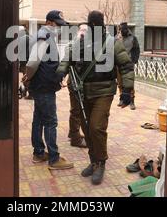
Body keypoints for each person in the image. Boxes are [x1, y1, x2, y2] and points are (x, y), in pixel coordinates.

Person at [57, 11, 135, 185]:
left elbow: (127, 66)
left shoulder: (113, 43)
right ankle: (93, 161)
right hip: (83, 92)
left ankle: (101, 163)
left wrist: (127, 91)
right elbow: (67, 59)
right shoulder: (82, 42)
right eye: (91, 24)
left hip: (104, 91)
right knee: (86, 127)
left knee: (96, 126)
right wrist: (60, 73)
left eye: (96, 24)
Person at [23, 10, 74, 170]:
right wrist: (27, 77)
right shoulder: (43, 36)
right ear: (49, 23)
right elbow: (32, 63)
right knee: (51, 122)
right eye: (58, 25)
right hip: (43, 86)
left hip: (42, 85)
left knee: (38, 119)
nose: (59, 28)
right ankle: (54, 158)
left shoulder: (45, 35)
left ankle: (39, 153)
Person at [67, 24, 88, 148]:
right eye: (82, 30)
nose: (84, 32)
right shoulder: (73, 45)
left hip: (82, 82)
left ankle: (73, 133)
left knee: (79, 109)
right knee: (76, 110)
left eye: (86, 30)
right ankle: (75, 138)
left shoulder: (88, 46)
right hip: (75, 82)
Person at [117, 22, 140, 110]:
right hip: (119, 64)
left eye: (123, 30)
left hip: (129, 64)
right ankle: (122, 99)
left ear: (127, 29)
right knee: (120, 83)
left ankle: (131, 101)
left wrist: (134, 60)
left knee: (129, 83)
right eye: (120, 30)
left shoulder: (133, 38)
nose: (122, 32)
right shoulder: (117, 38)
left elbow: (137, 49)